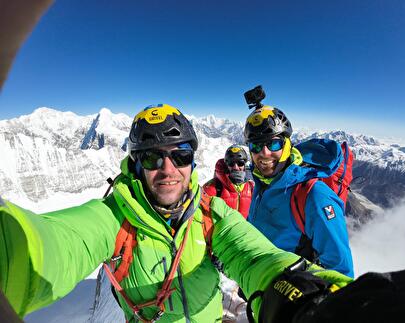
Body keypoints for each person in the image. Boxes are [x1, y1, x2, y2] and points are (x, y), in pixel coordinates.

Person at [0, 104, 353, 322]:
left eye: (180, 155)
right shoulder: (114, 219)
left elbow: (253, 255)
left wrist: (307, 295)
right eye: (153, 157)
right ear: (136, 165)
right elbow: (57, 243)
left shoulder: (212, 213)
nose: (168, 169)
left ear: (192, 161)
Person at [244, 103, 355, 278]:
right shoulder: (261, 184)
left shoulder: (314, 195)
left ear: (288, 145)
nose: (264, 153)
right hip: (261, 289)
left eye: (273, 144)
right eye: (256, 146)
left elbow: (341, 272)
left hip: (293, 299)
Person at [203, 145, 254, 219]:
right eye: (231, 163)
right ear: (226, 165)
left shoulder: (251, 187)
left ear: (244, 164)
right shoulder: (212, 187)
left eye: (240, 163)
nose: (236, 167)